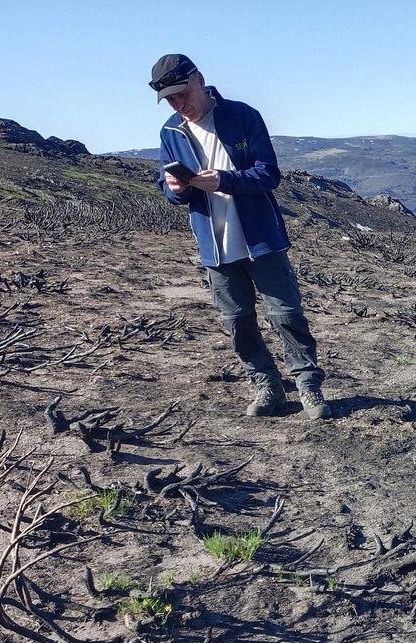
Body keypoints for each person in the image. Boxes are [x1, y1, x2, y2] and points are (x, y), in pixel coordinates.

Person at [151, 53, 329, 420]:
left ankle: (308, 385)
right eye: (169, 99)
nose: (178, 104)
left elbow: (269, 175)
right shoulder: (170, 131)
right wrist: (175, 188)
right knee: (237, 321)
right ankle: (267, 386)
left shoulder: (243, 115)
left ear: (199, 79)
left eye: (181, 93)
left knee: (287, 314)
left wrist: (225, 180)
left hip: (261, 239)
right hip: (214, 246)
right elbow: (170, 191)